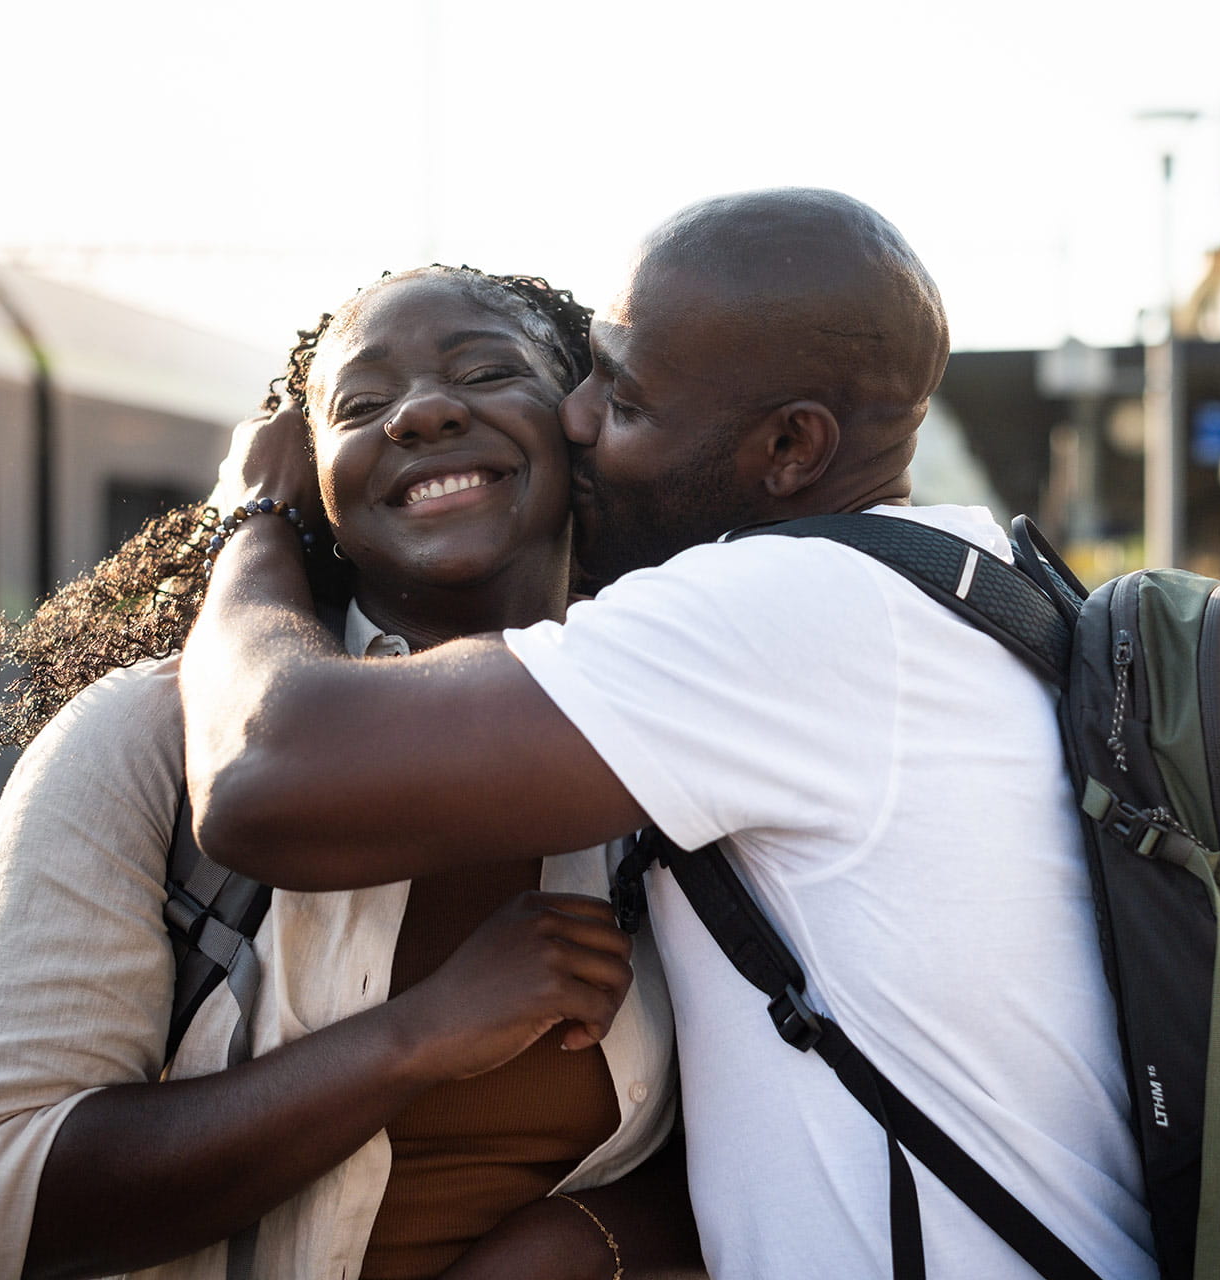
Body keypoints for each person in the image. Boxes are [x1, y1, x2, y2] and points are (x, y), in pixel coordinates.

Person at [180, 190, 1158, 1278]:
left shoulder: (785, 610)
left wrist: (254, 524)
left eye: (628, 398)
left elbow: (264, 773)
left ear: (791, 447)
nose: (579, 417)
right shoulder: (958, 579)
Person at [0, 266, 693, 1280]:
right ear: (314, 485)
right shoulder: (145, 736)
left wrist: (580, 1240)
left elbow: (794, 1137)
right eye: (363, 405)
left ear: (583, 423)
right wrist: (418, 1035)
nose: (422, 413)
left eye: (488, 369)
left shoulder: (688, 737)